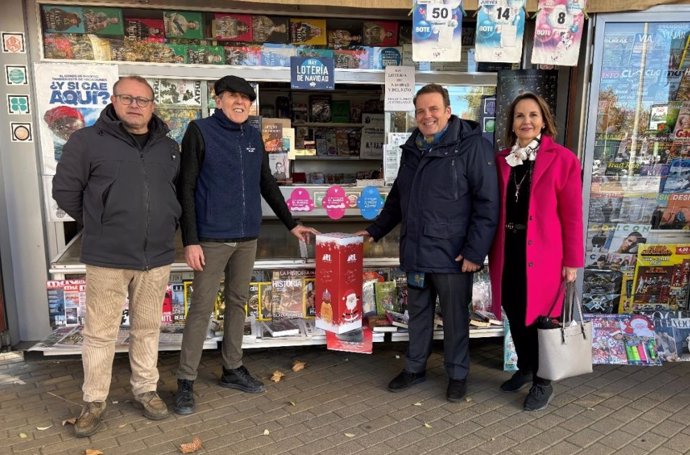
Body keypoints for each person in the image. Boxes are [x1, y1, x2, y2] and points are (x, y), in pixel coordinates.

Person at [174, 75, 318, 415]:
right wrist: (190, 240)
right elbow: (187, 188)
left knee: (238, 302)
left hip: (246, 237)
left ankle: (232, 368)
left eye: (246, 98)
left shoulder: (253, 136)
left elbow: (266, 183)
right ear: (219, 99)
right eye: (233, 96)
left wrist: (292, 223)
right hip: (211, 238)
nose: (240, 103)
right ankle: (185, 380)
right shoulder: (199, 131)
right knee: (201, 308)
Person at [52, 76, 181, 437]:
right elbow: (65, 190)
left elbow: (174, 192)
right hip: (108, 256)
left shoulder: (168, 147)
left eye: (143, 100)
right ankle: (94, 400)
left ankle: (146, 389)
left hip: (156, 255)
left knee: (147, 329)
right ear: (114, 100)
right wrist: (100, 220)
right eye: (127, 98)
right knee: (100, 332)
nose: (135, 105)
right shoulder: (86, 141)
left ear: (153, 105)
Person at [356, 83, 499, 402]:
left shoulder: (472, 147)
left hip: (454, 255)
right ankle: (414, 368)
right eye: (420, 110)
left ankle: (458, 373)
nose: (427, 115)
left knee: (455, 318)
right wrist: (375, 230)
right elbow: (397, 199)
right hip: (417, 251)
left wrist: (476, 251)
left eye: (433, 109)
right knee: (417, 315)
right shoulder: (413, 147)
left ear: (448, 111)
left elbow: (487, 203)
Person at [488, 92, 583, 412]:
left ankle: (544, 380)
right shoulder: (501, 160)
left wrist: (572, 261)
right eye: (519, 116)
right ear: (512, 124)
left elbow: (571, 214)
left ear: (544, 120)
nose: (526, 121)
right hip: (508, 251)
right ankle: (526, 367)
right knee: (515, 313)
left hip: (545, 256)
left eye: (532, 115)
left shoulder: (564, 159)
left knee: (542, 320)